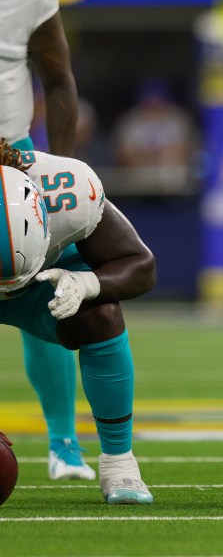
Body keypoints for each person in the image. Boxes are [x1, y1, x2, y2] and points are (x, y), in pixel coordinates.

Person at [0, 0, 100, 481]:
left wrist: (61, 169)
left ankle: (66, 445)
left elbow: (58, 81)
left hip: (13, 163)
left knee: (54, 289)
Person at [0, 141, 155, 503]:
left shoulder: (65, 188)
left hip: (39, 285)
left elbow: (140, 264)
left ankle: (119, 463)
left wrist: (87, 283)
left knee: (100, 312)